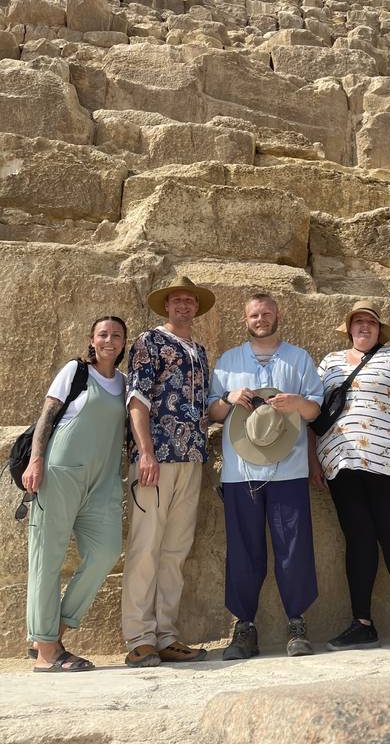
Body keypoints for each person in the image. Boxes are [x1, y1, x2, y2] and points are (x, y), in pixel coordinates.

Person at [207, 292, 324, 659]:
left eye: (267, 313)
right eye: (255, 315)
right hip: (240, 473)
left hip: (289, 469)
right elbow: (211, 412)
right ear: (246, 319)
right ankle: (244, 626)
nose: (261, 319)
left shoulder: (298, 358)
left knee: (295, 547)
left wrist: (297, 403)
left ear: (278, 316)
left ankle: (297, 623)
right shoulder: (229, 361)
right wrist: (228, 398)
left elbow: (315, 410)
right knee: (243, 550)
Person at [315, 300, 390, 651]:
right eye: (358, 322)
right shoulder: (329, 362)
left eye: (371, 323)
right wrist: (311, 460)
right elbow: (314, 412)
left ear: (380, 329)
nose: (364, 327)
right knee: (358, 539)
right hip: (341, 462)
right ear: (349, 328)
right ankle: (362, 623)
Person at [23, 316, 128, 672]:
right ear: (92, 340)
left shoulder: (124, 383)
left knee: (106, 551)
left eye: (116, 335)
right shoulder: (76, 371)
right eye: (103, 334)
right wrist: (36, 460)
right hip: (60, 473)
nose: (109, 340)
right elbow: (47, 416)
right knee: (47, 558)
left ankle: (52, 633)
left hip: (102, 482)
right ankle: (47, 654)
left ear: (124, 342)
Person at [122, 276, 214, 667]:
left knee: (175, 550)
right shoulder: (149, 342)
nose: (184, 305)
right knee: (146, 547)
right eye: (177, 300)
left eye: (189, 300)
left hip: (191, 458)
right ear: (166, 306)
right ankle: (139, 637)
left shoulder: (200, 351)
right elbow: (137, 399)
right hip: (156, 459)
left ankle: (166, 635)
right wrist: (145, 452)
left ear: (196, 307)